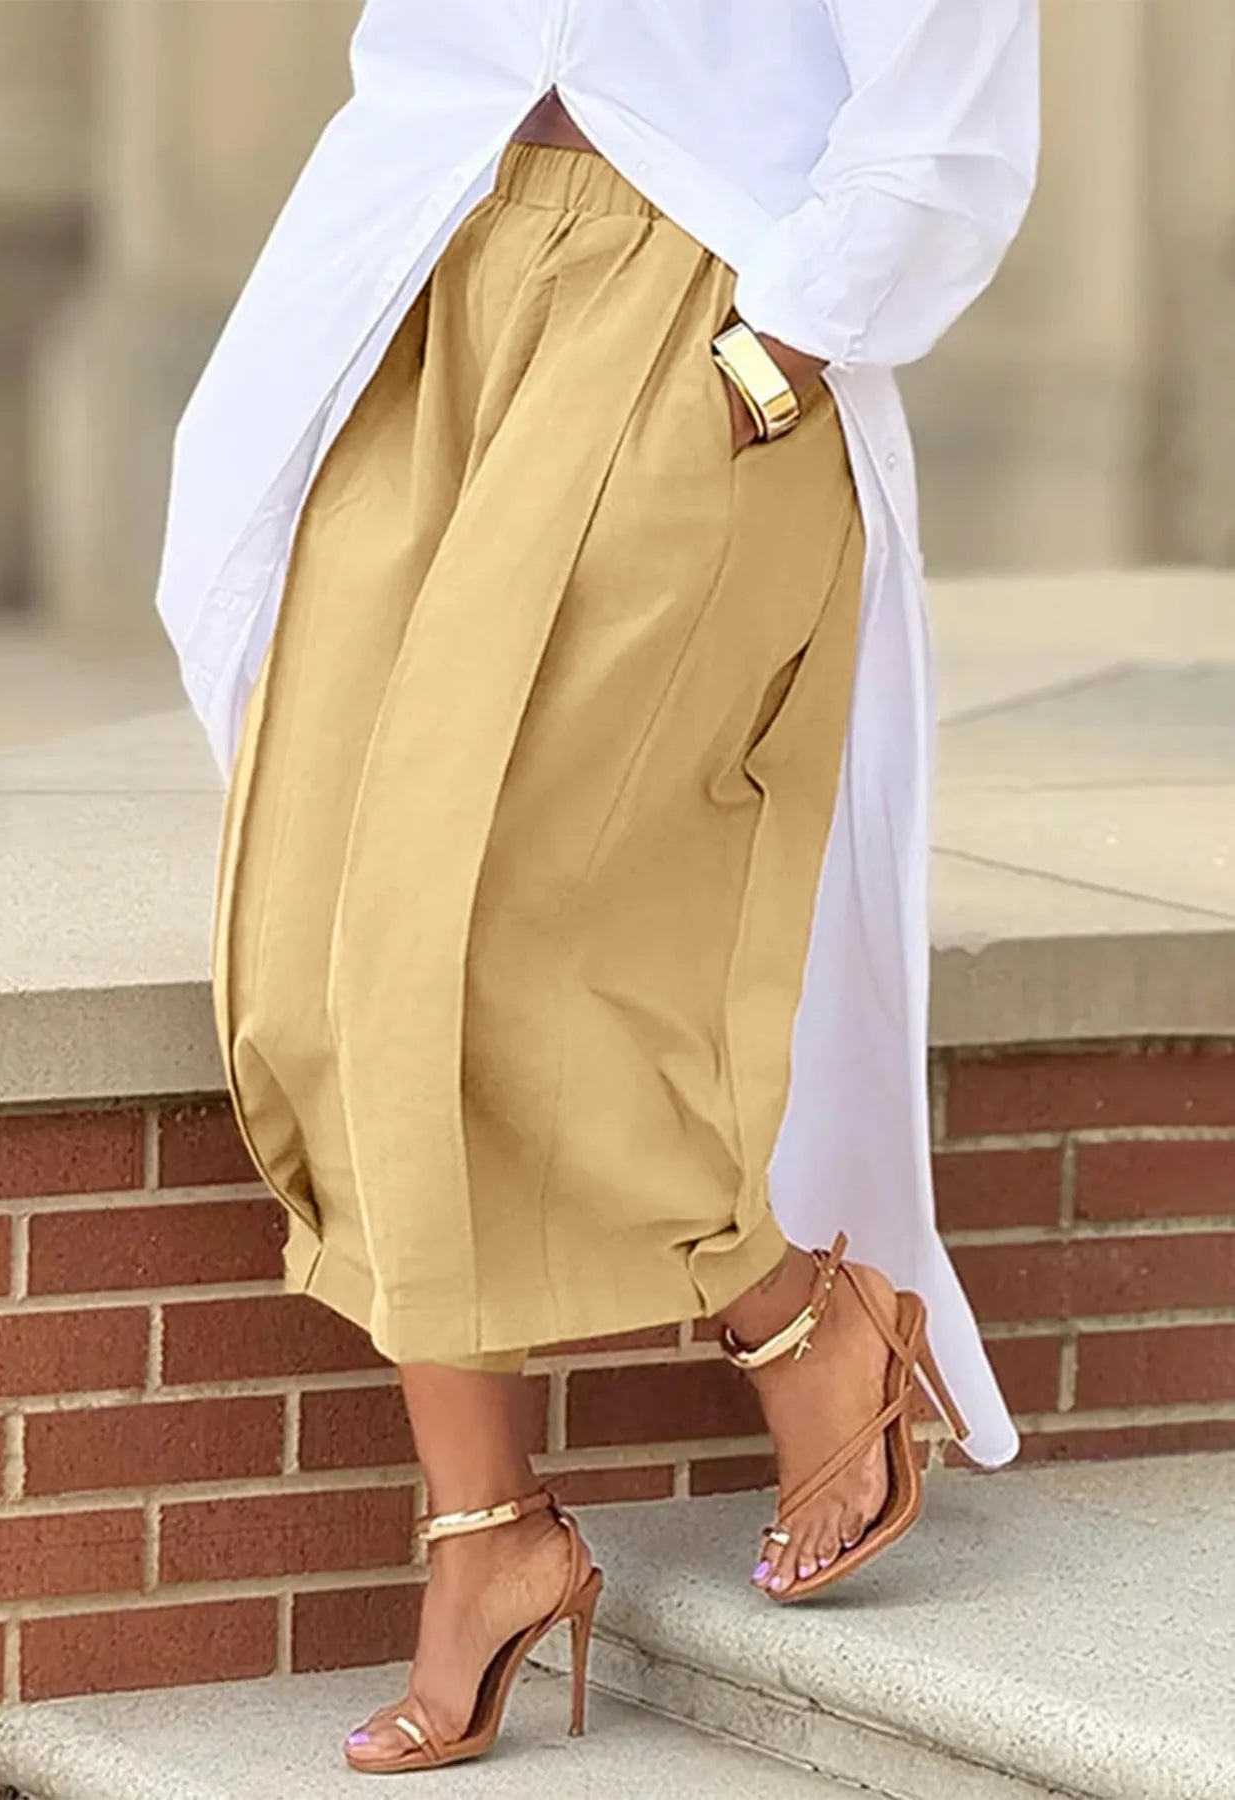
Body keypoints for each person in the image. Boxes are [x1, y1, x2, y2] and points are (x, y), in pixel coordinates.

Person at [154, 0, 1039, 1777]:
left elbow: (952, 78)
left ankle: (789, 1311)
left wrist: (780, 340)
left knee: (496, 913)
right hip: (422, 254)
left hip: (697, 299)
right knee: (321, 940)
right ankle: (497, 1535)